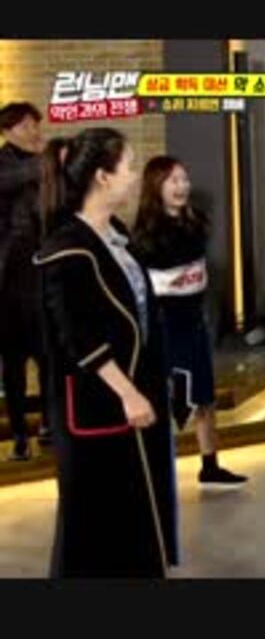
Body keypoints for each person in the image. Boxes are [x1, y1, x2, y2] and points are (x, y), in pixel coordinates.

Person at [34, 127, 178, 577]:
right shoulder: (66, 250)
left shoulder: (115, 234)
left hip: (134, 395)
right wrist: (128, 393)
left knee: (133, 515)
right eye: (129, 167)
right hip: (100, 403)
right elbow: (78, 338)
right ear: (102, 176)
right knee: (93, 523)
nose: (135, 176)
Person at [132, 155, 247, 488]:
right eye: (173, 181)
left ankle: (210, 465)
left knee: (204, 397)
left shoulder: (196, 221)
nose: (182, 186)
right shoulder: (145, 234)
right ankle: (152, 471)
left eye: (184, 179)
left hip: (194, 320)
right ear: (156, 186)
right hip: (164, 325)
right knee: (165, 396)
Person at [0, 102, 50, 460]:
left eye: (36, 125)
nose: (35, 131)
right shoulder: (5, 165)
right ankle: (19, 433)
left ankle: (49, 422)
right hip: (7, 280)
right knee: (13, 364)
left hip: (41, 273)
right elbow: (12, 180)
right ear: (9, 130)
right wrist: (46, 161)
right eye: (28, 125)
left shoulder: (41, 165)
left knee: (47, 356)